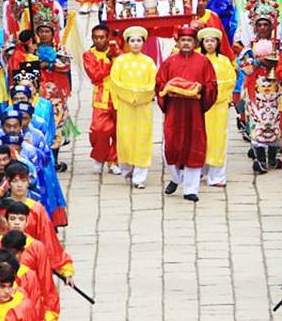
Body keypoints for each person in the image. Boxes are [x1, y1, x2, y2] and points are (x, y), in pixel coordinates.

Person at [156, 25, 219, 201]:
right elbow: (159, 83)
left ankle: (191, 189)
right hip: (174, 110)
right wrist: (167, 91)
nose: (186, 43)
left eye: (189, 41)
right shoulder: (169, 62)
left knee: (194, 147)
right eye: (183, 40)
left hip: (194, 112)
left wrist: (201, 89)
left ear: (195, 43)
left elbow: (212, 84)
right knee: (169, 147)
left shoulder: (203, 62)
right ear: (178, 42)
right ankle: (176, 178)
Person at [108, 26, 158, 189]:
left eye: (139, 41)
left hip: (143, 107)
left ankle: (140, 176)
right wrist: (129, 95)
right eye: (132, 41)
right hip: (125, 105)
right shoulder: (121, 61)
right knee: (126, 137)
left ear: (143, 43)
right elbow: (114, 82)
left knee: (143, 138)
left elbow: (153, 83)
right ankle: (127, 168)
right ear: (127, 43)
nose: (136, 44)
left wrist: (141, 95)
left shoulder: (149, 62)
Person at [199, 27, 236, 187]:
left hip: (219, 105)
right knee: (201, 137)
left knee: (219, 138)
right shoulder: (198, 60)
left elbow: (230, 81)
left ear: (218, 43)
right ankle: (200, 169)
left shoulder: (224, 61)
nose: (209, 44)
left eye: (212, 41)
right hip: (201, 106)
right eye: (206, 41)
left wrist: (214, 89)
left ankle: (217, 176)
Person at [82, 24, 119, 173]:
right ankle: (99, 156)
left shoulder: (117, 51)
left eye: (102, 37)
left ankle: (113, 160)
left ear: (108, 37)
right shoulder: (89, 55)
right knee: (99, 129)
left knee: (119, 130)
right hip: (101, 96)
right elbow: (95, 75)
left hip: (119, 95)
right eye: (96, 38)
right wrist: (108, 61)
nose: (99, 41)